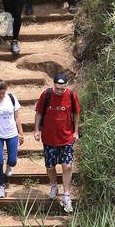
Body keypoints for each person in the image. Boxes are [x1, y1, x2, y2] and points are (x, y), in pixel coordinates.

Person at [33, 72, 80, 213]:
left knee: (67, 166)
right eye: (57, 88)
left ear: (66, 86)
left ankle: (66, 195)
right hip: (49, 137)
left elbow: (76, 114)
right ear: (53, 85)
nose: (60, 91)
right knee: (50, 166)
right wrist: (36, 130)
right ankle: (54, 185)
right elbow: (39, 112)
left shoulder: (72, 95)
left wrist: (76, 132)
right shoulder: (46, 95)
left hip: (66, 137)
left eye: (62, 88)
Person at [0, 78, 24, 198]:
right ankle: (1, 186)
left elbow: (17, 117)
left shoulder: (12, 99)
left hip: (12, 133)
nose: (1, 95)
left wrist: (21, 133)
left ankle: (9, 166)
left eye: (3, 93)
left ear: (6, 91)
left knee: (12, 160)